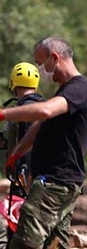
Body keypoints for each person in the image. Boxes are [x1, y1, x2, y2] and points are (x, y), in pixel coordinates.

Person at [0, 36, 87, 249]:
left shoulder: (78, 88)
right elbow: (42, 122)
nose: (39, 68)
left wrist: (4, 114)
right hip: (61, 182)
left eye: (40, 62)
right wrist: (17, 152)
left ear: (54, 58)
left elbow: (45, 110)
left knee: (24, 244)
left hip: (55, 182)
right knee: (55, 245)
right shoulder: (67, 89)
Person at [0, 62, 46, 244]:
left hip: (24, 178)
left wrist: (22, 173)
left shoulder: (24, 110)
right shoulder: (45, 106)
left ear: (14, 82)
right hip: (42, 177)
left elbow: (28, 143)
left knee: (18, 226)